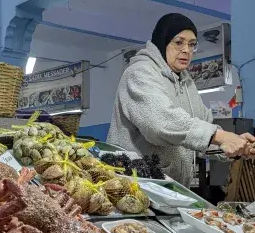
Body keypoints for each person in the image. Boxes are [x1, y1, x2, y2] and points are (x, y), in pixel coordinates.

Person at [108, 13, 255, 186]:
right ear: (162, 42)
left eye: (192, 44)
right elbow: (160, 123)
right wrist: (222, 137)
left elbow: (203, 132)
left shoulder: (186, 82)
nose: (186, 50)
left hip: (171, 189)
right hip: (135, 186)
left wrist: (236, 145)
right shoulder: (139, 73)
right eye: (179, 42)